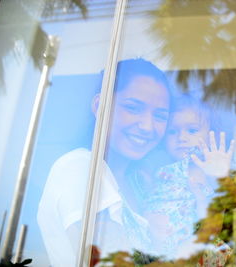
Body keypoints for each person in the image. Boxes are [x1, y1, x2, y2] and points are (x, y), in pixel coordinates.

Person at [37, 59, 172, 267]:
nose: (147, 125)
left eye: (160, 116)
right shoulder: (79, 168)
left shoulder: (137, 185)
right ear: (100, 105)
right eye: (133, 108)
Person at [144, 95, 235, 259]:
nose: (181, 138)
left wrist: (222, 176)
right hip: (162, 247)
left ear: (211, 135)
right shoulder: (159, 168)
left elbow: (233, 199)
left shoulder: (209, 171)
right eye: (172, 132)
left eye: (192, 130)